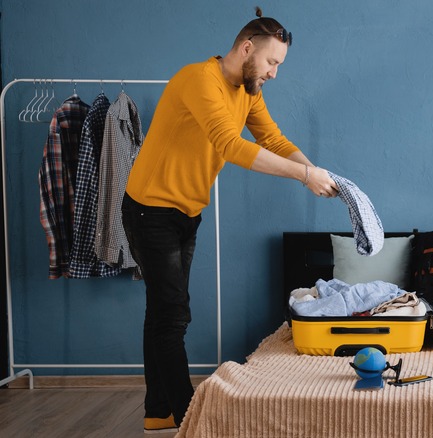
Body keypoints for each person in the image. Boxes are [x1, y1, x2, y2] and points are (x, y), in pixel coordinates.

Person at [121, 6, 337, 434]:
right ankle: (188, 419)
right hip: (151, 210)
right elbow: (229, 145)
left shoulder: (248, 90)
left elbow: (271, 137)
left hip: (186, 212)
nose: (275, 73)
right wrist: (304, 176)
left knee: (162, 312)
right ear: (246, 48)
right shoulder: (199, 79)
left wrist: (316, 172)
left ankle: (157, 410)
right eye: (272, 62)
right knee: (174, 315)